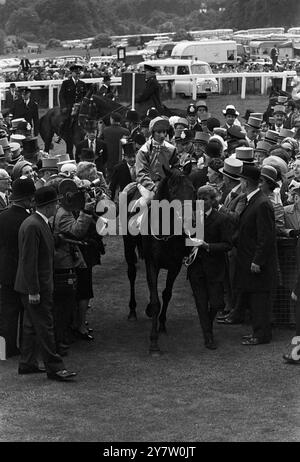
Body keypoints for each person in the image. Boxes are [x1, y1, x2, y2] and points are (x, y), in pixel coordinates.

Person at [14, 186, 77, 381]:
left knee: (31, 326)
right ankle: (55, 368)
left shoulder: (35, 222)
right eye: (55, 203)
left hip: (33, 285)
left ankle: (27, 362)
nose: (57, 205)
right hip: (36, 287)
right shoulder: (34, 225)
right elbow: (29, 260)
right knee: (45, 326)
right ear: (48, 206)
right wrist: (34, 290)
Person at [235, 164, 277, 345]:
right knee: (254, 296)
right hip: (249, 259)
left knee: (260, 298)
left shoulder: (262, 203)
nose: (240, 183)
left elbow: (266, 236)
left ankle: (261, 334)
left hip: (257, 262)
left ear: (245, 182)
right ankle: (258, 332)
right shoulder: (255, 201)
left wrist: (257, 261)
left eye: (241, 180)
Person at [187, 185, 232, 350]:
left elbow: (228, 245)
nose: (201, 202)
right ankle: (208, 336)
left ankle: (208, 325)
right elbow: (187, 242)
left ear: (212, 201)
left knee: (216, 303)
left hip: (215, 268)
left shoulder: (222, 219)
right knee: (200, 303)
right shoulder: (191, 218)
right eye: (198, 198)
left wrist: (207, 246)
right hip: (196, 268)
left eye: (204, 199)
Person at [0, 178, 36, 358]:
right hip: (23, 271)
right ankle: (26, 347)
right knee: (26, 312)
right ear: (27, 198)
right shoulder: (29, 220)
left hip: (5, 269)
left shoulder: (2, 216)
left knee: (7, 312)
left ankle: (6, 349)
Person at [59, 64, 87, 141]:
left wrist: (82, 103)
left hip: (80, 106)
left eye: (78, 73)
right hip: (69, 106)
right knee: (65, 119)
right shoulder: (66, 83)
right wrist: (63, 106)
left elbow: (85, 96)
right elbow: (61, 95)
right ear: (72, 73)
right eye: (76, 73)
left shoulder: (82, 84)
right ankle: (61, 134)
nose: (77, 74)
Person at [102, 112, 130, 182]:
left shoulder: (105, 130)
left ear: (112, 119)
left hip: (109, 162)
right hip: (122, 161)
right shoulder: (126, 131)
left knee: (110, 182)